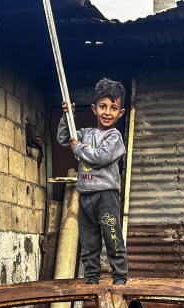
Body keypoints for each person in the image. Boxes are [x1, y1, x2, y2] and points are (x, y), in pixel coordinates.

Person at [57, 77, 128, 285]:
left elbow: (100, 157)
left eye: (113, 108)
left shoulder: (115, 137)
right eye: (103, 106)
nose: (107, 112)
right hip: (86, 195)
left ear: (120, 113)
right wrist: (66, 116)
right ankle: (91, 277)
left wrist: (78, 148)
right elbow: (64, 138)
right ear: (94, 108)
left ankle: (120, 277)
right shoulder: (85, 134)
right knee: (88, 240)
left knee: (112, 236)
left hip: (106, 196)